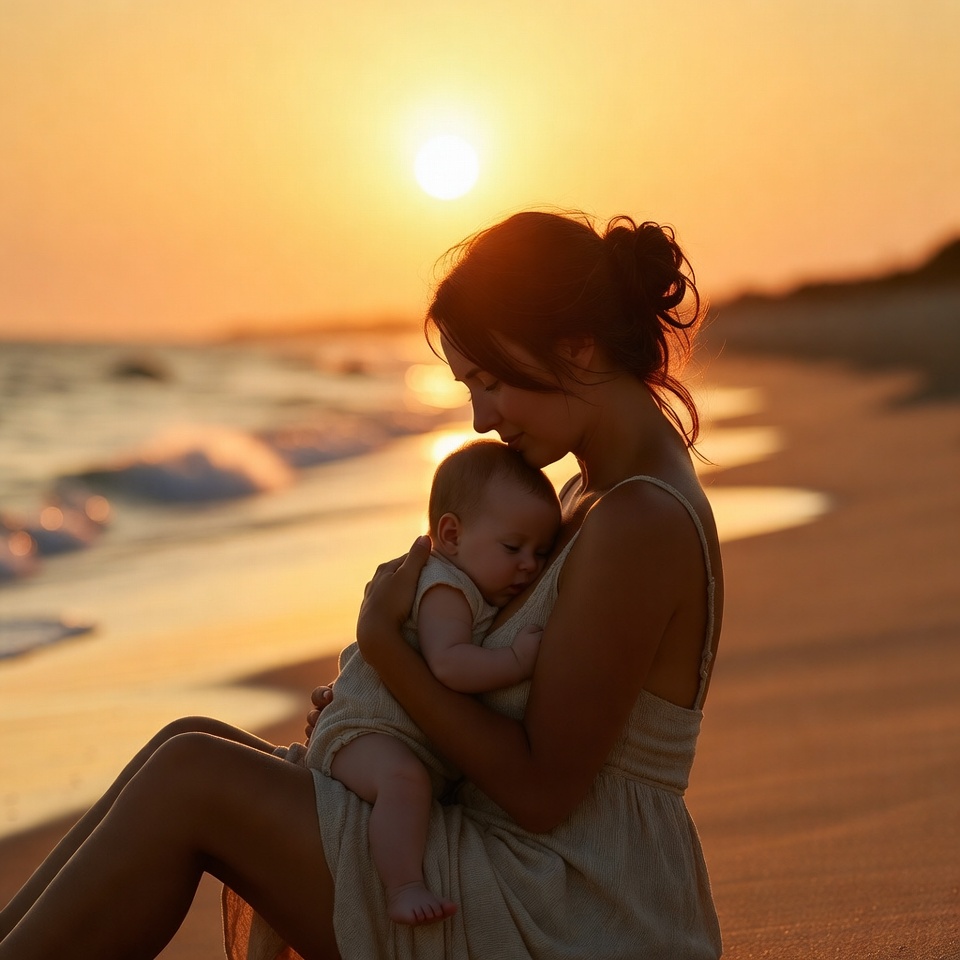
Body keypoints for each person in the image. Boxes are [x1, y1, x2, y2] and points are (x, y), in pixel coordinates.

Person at [0, 209, 724, 960]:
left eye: (491, 381)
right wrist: (378, 716)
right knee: (191, 740)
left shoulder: (639, 519)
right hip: (538, 865)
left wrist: (387, 650)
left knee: (194, 778)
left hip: (575, 903)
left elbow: (542, 792)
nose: (480, 417)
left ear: (575, 346)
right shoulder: (591, 494)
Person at [279, 439, 560, 926]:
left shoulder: (475, 583)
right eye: (513, 548)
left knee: (407, 781)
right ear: (450, 534)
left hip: (384, 735)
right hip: (363, 733)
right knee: (404, 782)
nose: (529, 565)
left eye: (541, 552)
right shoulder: (445, 588)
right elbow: (449, 665)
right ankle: (403, 885)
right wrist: (516, 660)